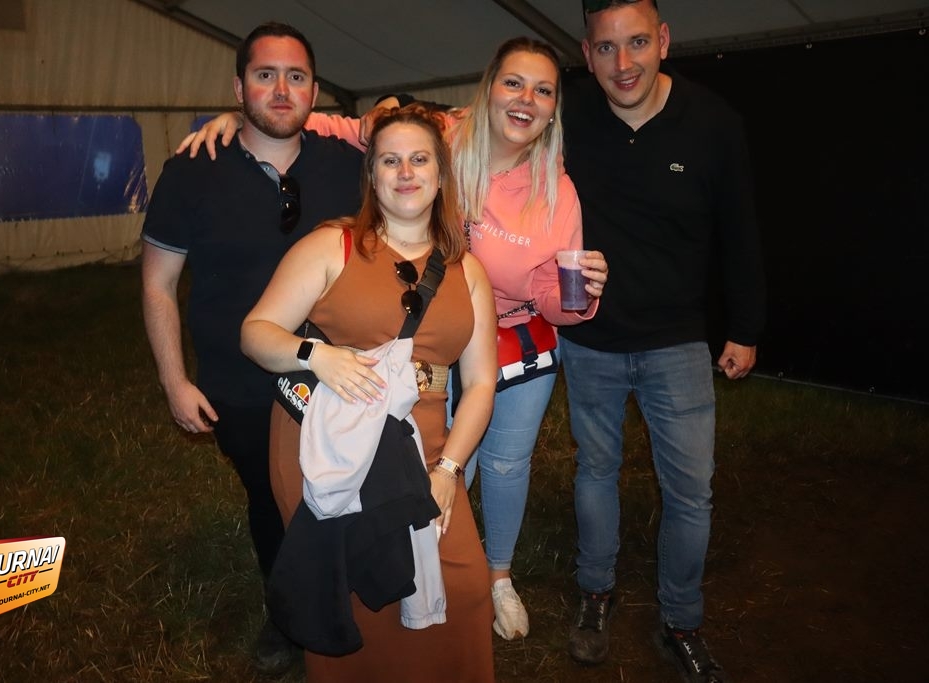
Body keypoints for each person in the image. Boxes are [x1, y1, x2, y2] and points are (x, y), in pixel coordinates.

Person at [178, 37, 610, 643]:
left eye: (543, 90)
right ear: (488, 88)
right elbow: (345, 128)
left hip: (495, 351)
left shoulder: (548, 196)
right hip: (380, 397)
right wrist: (243, 124)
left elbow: (538, 309)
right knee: (393, 528)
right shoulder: (434, 145)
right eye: (513, 82)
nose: (525, 99)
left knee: (493, 480)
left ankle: (495, 578)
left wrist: (580, 296)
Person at [240, 105, 498, 682]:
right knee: (356, 593)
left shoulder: (468, 272)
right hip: (333, 450)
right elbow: (256, 333)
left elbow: (482, 382)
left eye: (419, 159)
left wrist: (449, 470)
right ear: (372, 176)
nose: (405, 172)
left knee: (465, 589)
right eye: (389, 161)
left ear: (440, 175)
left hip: (426, 451)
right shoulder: (332, 246)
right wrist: (316, 355)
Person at [139, 21, 363, 676]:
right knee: (271, 501)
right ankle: (287, 613)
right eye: (266, 75)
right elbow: (157, 283)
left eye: (296, 77)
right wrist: (175, 380)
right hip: (239, 384)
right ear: (239, 88)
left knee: (342, 493)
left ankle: (353, 600)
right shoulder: (192, 171)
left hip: (339, 377)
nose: (281, 89)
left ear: (315, 90)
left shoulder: (348, 165)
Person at [558, 1, 766, 681]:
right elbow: (488, 126)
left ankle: (681, 620)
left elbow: (740, 230)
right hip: (590, 335)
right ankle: (595, 592)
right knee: (595, 470)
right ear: (586, 54)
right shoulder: (567, 115)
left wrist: (746, 327)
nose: (624, 64)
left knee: (691, 492)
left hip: (677, 340)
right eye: (606, 48)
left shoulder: (713, 122)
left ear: (665, 40)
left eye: (638, 43)